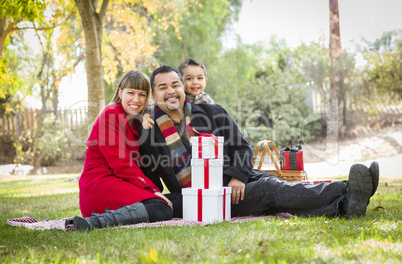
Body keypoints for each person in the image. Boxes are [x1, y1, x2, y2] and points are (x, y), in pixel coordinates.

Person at [136, 65, 380, 219]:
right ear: (154, 95)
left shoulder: (211, 112)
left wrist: (237, 177)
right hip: (205, 198)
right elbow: (146, 176)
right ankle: (348, 188)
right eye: (162, 87)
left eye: (175, 84)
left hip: (238, 179)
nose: (170, 91)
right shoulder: (149, 131)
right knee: (269, 191)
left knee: (276, 188)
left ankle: (346, 204)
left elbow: (242, 147)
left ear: (182, 87)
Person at [68, 70, 173, 230]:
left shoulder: (135, 122)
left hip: (120, 182)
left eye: (142, 95)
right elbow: (121, 163)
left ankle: (97, 220)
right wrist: (151, 189)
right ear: (120, 92)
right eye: (131, 93)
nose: (136, 100)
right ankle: (92, 223)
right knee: (161, 206)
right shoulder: (110, 115)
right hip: (101, 185)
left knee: (170, 203)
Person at [141, 58, 214, 129]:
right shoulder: (178, 98)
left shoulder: (207, 101)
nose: (195, 82)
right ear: (181, 82)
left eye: (200, 78)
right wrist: (146, 115)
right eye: (189, 78)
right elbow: (153, 106)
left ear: (205, 81)